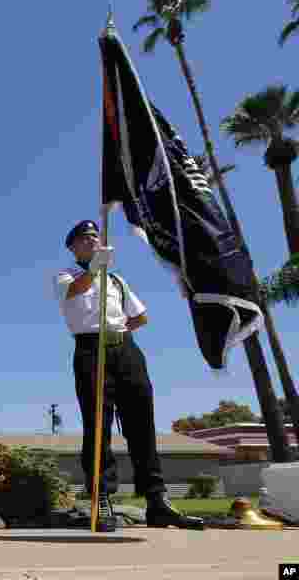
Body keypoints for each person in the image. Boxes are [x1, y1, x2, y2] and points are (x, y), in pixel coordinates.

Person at [54, 220, 203, 532]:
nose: (94, 241)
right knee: (98, 426)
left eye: (96, 236)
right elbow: (74, 291)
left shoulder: (117, 281)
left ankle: (157, 500)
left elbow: (140, 316)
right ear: (73, 247)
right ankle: (102, 499)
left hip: (125, 350)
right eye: (86, 238)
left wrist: (118, 333)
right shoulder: (65, 276)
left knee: (142, 424)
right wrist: (95, 268)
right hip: (91, 351)